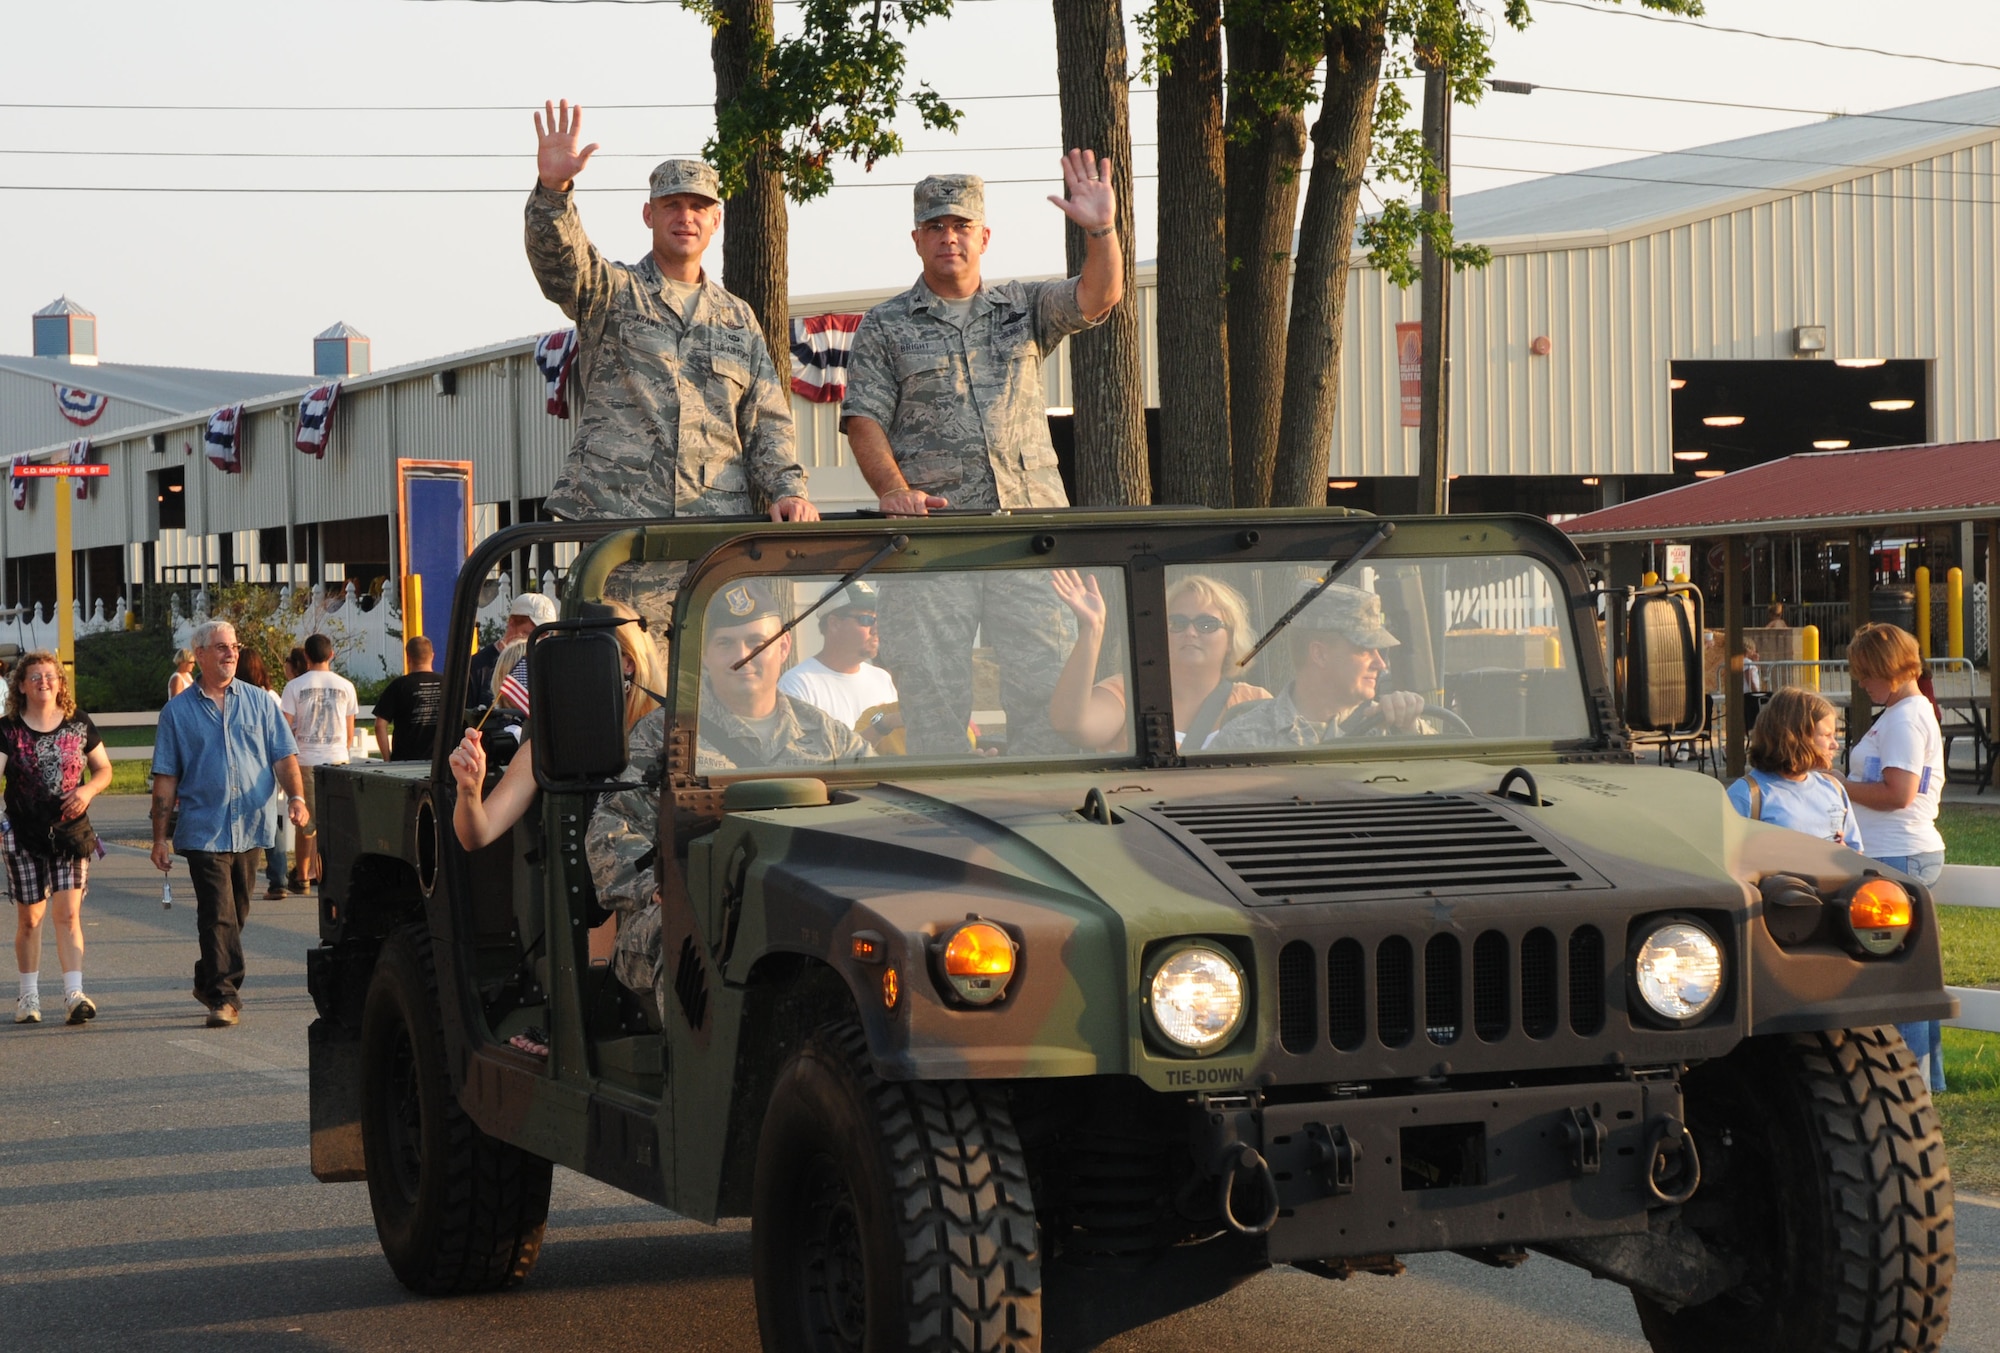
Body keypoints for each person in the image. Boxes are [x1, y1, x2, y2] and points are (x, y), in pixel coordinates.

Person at [836, 157, 1123, 757]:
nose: (949, 236)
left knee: (1048, 697)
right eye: (935, 226)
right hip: (936, 540)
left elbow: (1098, 297)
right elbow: (863, 419)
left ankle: (1047, 820)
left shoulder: (1022, 306)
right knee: (934, 702)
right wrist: (892, 490)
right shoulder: (886, 326)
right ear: (917, 239)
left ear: (984, 237)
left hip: (1030, 537)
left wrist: (1100, 231)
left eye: (962, 225)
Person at [525, 99, 817, 525]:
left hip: (712, 527)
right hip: (620, 523)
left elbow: (766, 420)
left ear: (716, 220)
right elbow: (562, 264)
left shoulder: (738, 318)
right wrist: (554, 192)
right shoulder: (613, 293)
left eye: (698, 207)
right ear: (649, 214)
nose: (686, 217)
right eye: (672, 205)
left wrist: (788, 491)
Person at [586, 582, 868, 1005]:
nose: (744, 656)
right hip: (687, 910)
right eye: (725, 643)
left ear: (784, 646)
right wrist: (658, 885)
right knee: (686, 934)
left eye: (758, 641)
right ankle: (699, 1071)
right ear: (704, 652)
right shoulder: (664, 737)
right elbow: (608, 830)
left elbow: (877, 809)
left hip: (802, 904)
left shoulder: (826, 737)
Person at [150, 620, 311, 1028]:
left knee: (236, 913)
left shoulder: (260, 702)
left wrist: (296, 797)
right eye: (221, 647)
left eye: (235, 646)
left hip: (251, 826)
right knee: (217, 913)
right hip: (204, 828)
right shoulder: (177, 713)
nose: (231, 653)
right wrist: (159, 838)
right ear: (199, 654)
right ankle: (224, 996)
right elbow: (165, 778)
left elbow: (284, 756)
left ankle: (207, 977)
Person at [1840, 621, 1948, 1093]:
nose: (1863, 685)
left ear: (1886, 668)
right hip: (1902, 851)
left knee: (1896, 977)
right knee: (1912, 971)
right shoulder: (1908, 710)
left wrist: (1836, 785)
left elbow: (1898, 792)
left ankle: (1907, 1082)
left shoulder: (1904, 717)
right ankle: (1925, 1078)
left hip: (1898, 853)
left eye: (1866, 675)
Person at [4, 652, 113, 1025]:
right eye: (34, 677)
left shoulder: (78, 724)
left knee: (67, 915)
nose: (43, 682)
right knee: (31, 919)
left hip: (71, 834)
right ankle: (28, 997)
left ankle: (74, 994)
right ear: (21, 686)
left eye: (50, 676)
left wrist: (87, 792)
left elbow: (103, 770)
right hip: (23, 833)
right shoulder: (8, 729)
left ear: (60, 683)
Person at [1048, 570, 1271, 753]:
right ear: (1158, 634)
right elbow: (1071, 725)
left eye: (1206, 624)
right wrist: (1092, 628)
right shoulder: (1127, 694)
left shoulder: (1254, 702)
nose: (1191, 632)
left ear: (1231, 639)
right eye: (1177, 623)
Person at [1206, 582, 1430, 750]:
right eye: (1364, 650)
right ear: (1320, 654)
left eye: (1380, 652)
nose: (1380, 664)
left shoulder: (1391, 727)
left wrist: (1409, 728)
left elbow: (1448, 791)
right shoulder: (1242, 741)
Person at [1726, 687, 1860, 849]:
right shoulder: (1746, 795)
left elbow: (1856, 852)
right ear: (1795, 737)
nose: (1835, 744)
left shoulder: (1834, 788)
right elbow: (1725, 861)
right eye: (1826, 735)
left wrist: (1845, 855)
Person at [280, 634, 358, 890]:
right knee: (335, 821)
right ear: (331, 655)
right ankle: (331, 872)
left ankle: (303, 874)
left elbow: (284, 727)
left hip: (306, 757)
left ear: (306, 656)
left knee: (307, 822)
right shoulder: (346, 686)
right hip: (337, 758)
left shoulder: (294, 687)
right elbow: (349, 730)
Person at [776, 581, 899, 733]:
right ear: (834, 624)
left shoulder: (882, 679)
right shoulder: (799, 684)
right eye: (867, 620)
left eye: (878, 619)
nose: (876, 628)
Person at [237, 648, 295, 901]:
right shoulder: (271, 696)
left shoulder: (238, 697)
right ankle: (278, 878)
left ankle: (240, 874)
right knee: (271, 821)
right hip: (271, 766)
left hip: (247, 766)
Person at [468, 591, 558, 708]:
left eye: (543, 636)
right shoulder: (476, 668)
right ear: (511, 623)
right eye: (530, 634)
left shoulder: (549, 669)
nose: (536, 642)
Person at [374, 635, 444, 763]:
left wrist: (387, 759)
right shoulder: (447, 684)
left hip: (405, 762)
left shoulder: (398, 686)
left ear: (408, 658)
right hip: (442, 762)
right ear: (432, 656)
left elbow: (380, 725)